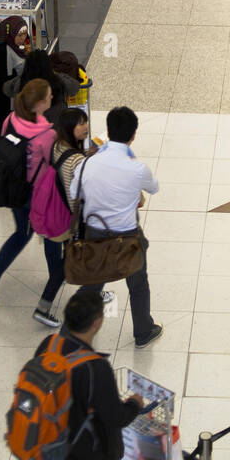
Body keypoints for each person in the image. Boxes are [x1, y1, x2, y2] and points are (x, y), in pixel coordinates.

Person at [8, 286, 159, 460]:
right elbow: (114, 418)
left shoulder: (49, 345)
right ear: (97, 323)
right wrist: (135, 404)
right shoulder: (94, 368)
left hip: (46, 449)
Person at [0, 80, 70, 330]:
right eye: (49, 97)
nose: (51, 99)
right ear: (39, 103)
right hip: (38, 195)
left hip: (13, 190)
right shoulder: (46, 134)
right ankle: (51, 290)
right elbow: (57, 166)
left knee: (21, 233)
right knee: (51, 235)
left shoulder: (10, 120)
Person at [69, 107, 162, 348]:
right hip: (127, 237)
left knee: (92, 285)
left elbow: (73, 193)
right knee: (138, 284)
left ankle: (69, 333)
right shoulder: (137, 168)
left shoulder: (86, 164)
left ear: (108, 131)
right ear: (134, 135)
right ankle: (143, 331)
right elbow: (153, 187)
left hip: (95, 234)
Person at [3, 47, 76, 123]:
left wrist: (22, 76)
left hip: (29, 128)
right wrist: (56, 74)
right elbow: (74, 88)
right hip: (55, 125)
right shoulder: (58, 80)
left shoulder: (21, 82)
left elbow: (6, 89)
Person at [0, 16, 31, 127]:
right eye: (19, 35)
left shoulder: (16, 46)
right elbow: (5, 80)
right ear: (11, 34)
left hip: (11, 96)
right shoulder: (3, 50)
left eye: (25, 34)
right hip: (4, 99)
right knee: (5, 128)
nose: (22, 38)